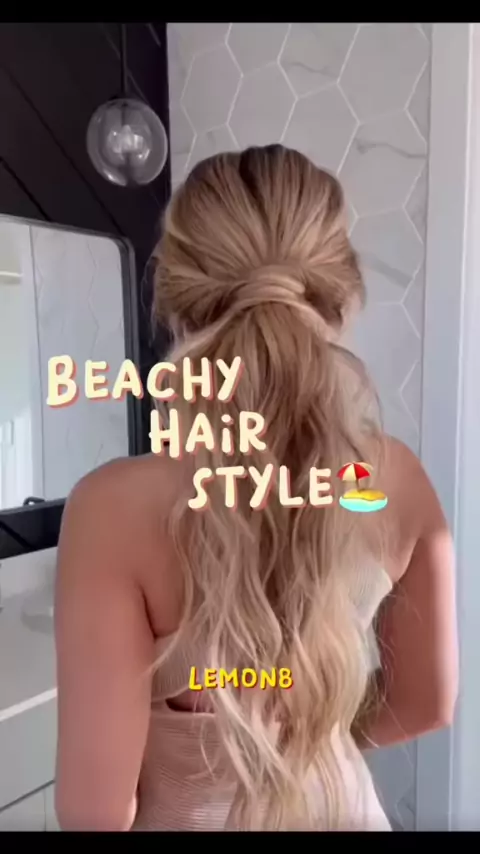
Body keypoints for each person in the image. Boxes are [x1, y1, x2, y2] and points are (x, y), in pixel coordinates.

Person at [54, 145, 458, 832]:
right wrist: (302, 737)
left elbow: (96, 814)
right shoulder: (394, 479)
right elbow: (428, 703)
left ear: (175, 296)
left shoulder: (111, 510)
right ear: (340, 294)